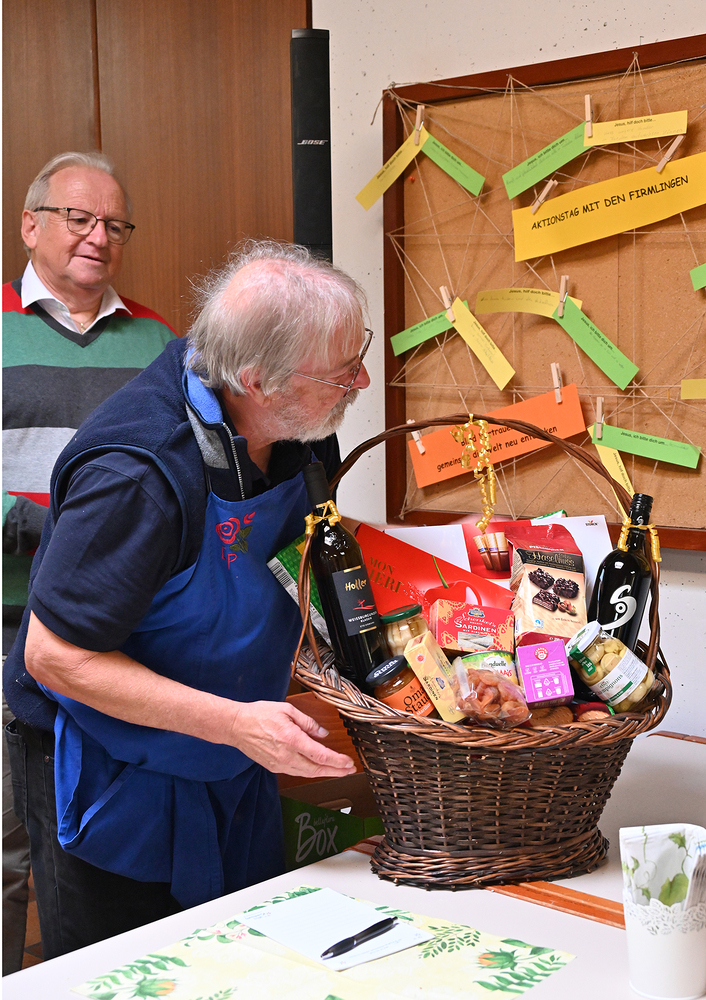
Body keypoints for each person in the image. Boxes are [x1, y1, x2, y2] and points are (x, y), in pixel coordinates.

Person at [3, 239, 369, 961]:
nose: (359, 379)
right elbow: (55, 657)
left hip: (233, 755)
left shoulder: (299, 435)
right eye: (339, 371)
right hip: (113, 771)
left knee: (239, 962)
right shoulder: (136, 474)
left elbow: (299, 565)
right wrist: (234, 722)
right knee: (134, 972)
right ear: (257, 379)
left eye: (356, 354)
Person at [2, 151, 175, 974]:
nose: (98, 236)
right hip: (8, 619)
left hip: (116, 636)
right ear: (30, 225)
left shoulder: (160, 343)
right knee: (5, 848)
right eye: (79, 218)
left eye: (114, 224)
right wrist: (55, 529)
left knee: (94, 836)